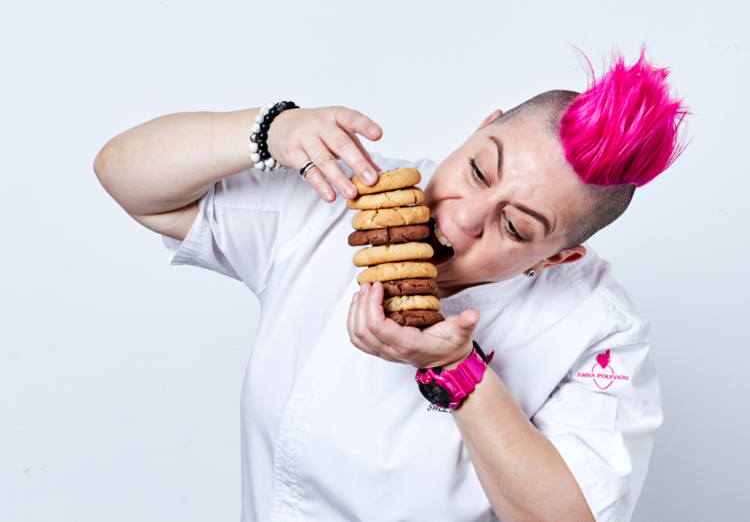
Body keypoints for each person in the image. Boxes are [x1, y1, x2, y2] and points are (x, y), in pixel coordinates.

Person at [94, 51, 688, 522]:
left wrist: (459, 372)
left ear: (560, 257)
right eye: (479, 170)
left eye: (513, 226)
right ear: (480, 128)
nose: (460, 218)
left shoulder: (598, 329)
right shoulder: (343, 195)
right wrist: (272, 128)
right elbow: (124, 177)